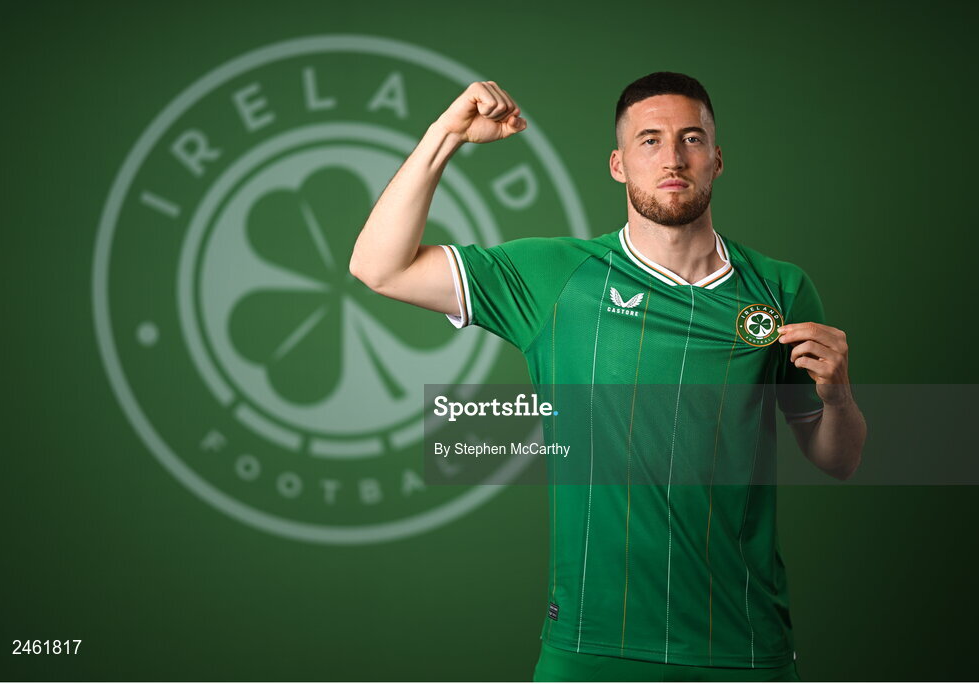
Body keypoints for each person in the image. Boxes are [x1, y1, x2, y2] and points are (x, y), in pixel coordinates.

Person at [350, 72, 866, 682]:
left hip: (741, 646)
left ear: (717, 159)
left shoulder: (782, 287)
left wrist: (838, 399)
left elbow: (839, 459)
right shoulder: (554, 277)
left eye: (691, 139)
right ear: (619, 164)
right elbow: (378, 267)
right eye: (649, 141)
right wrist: (445, 136)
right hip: (590, 648)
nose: (672, 157)